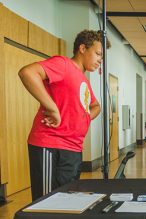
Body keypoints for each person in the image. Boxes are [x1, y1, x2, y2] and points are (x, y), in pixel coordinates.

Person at [18, 29, 111, 201]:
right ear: (82, 48)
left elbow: (96, 106)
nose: (100, 60)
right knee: (46, 203)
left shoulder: (83, 80)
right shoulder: (63, 65)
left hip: (74, 148)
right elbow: (27, 73)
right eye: (98, 54)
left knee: (66, 201)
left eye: (102, 57)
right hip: (53, 144)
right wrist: (52, 108)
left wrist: (83, 117)